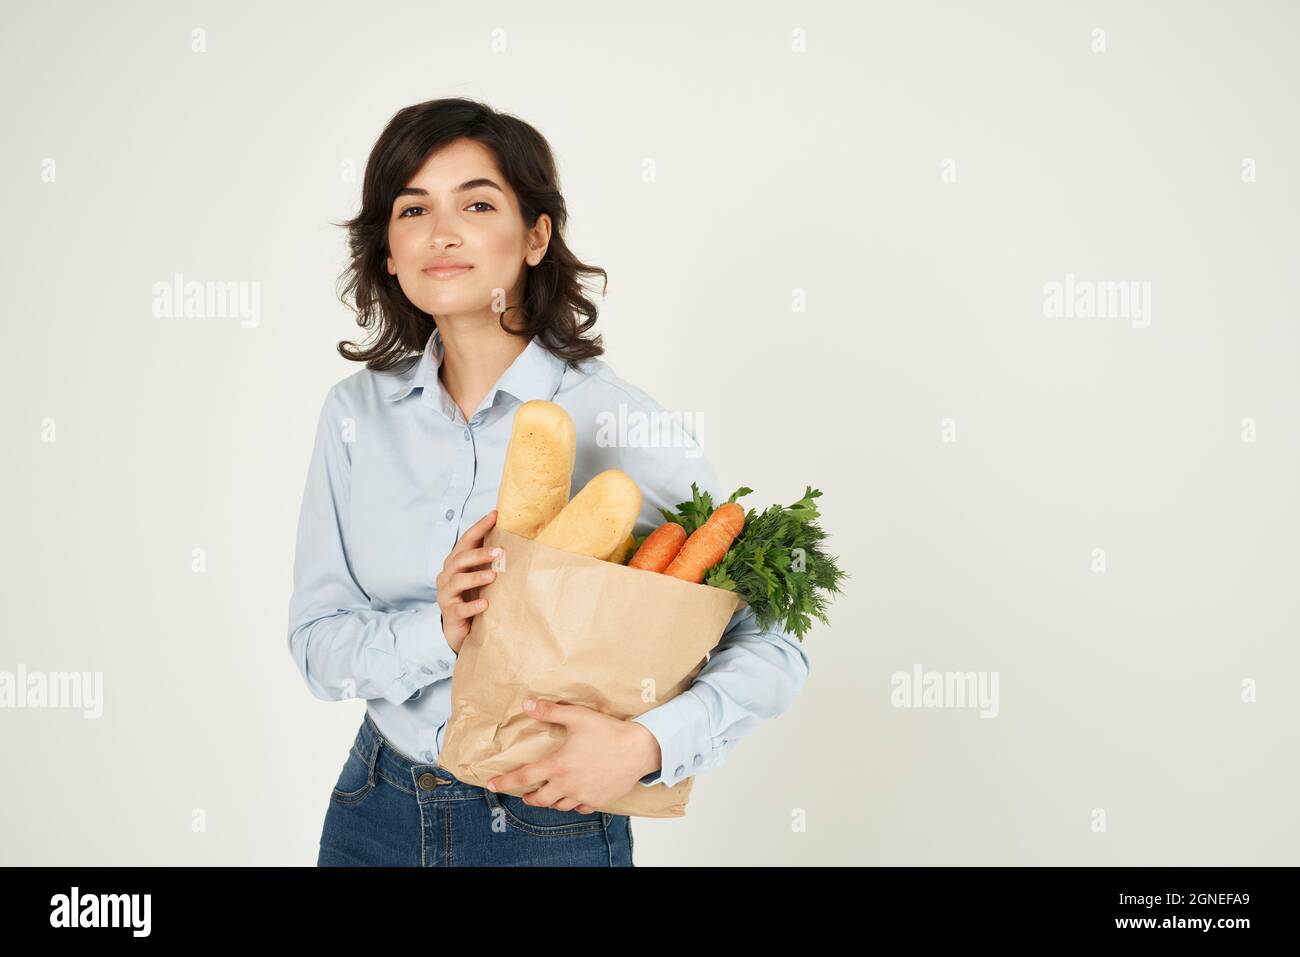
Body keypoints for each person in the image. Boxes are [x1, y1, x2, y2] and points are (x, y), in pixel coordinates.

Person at [288, 97, 810, 866]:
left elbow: (775, 638)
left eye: (477, 202)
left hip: (546, 823)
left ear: (536, 236)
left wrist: (645, 745)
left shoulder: (618, 423)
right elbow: (316, 643)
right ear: (388, 253)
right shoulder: (355, 415)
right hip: (375, 809)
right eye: (412, 209)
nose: (443, 231)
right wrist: (439, 631)